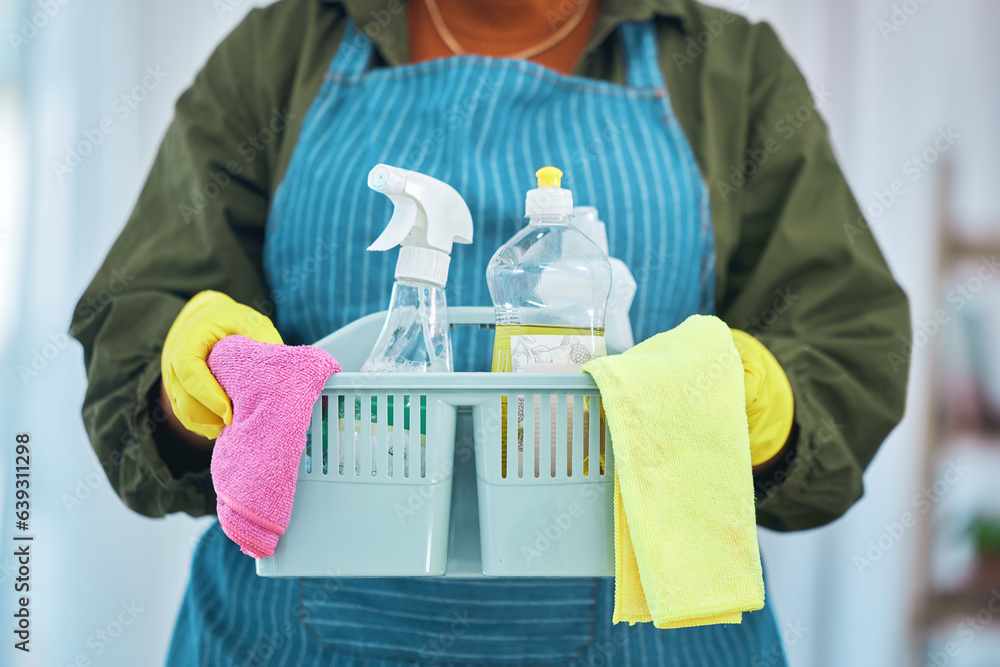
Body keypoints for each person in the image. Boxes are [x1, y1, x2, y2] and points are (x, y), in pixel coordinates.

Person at [70, 0, 911, 664]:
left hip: (657, 641)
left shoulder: (727, 70)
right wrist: (189, 380)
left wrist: (768, 414)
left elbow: (846, 338)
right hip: (284, 637)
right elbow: (141, 317)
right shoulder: (281, 51)